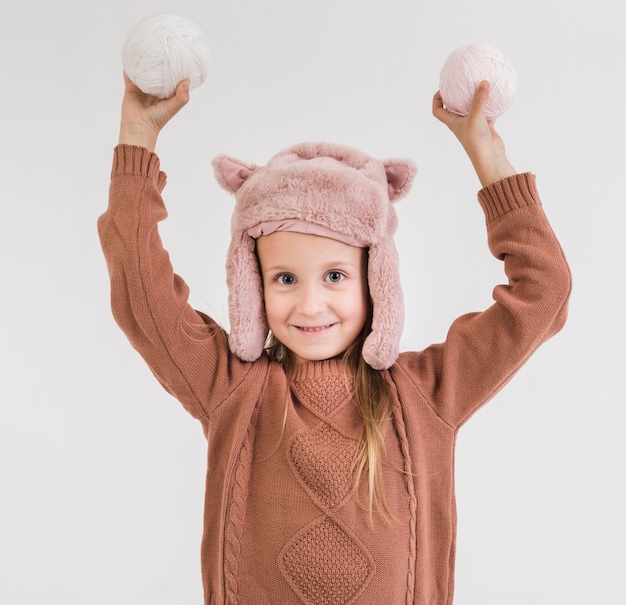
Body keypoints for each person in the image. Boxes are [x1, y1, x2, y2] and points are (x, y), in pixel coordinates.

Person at [98, 74, 571, 605]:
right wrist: (137, 139)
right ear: (252, 286)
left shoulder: (425, 395)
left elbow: (543, 292)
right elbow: (140, 291)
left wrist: (488, 159)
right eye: (284, 279)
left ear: (376, 279)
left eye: (335, 276)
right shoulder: (231, 389)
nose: (309, 305)